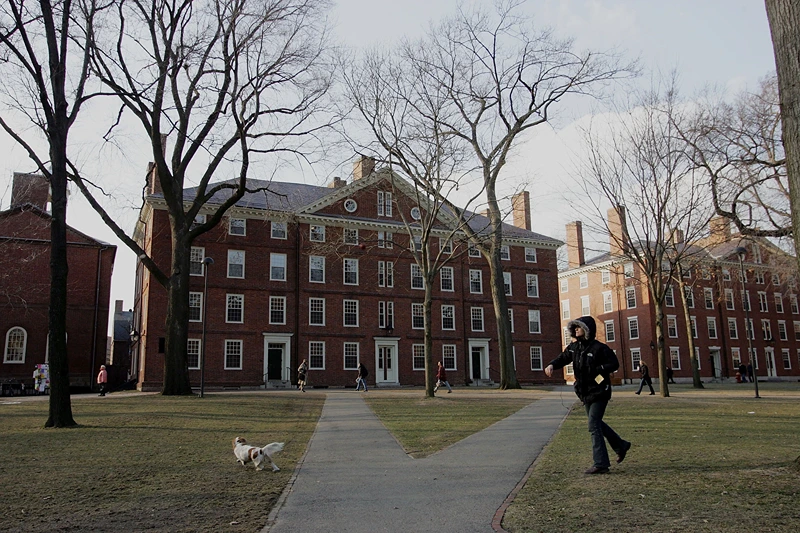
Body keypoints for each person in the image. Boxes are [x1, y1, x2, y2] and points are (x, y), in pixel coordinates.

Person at [545, 315, 631, 475]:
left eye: (579, 327)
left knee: (593, 425)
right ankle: (621, 445)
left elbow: (614, 364)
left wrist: (599, 369)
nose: (576, 330)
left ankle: (601, 464)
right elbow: (563, 358)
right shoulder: (574, 348)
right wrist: (551, 365)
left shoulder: (599, 348)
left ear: (586, 330)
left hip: (600, 391)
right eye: (574, 327)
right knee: (596, 423)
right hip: (585, 393)